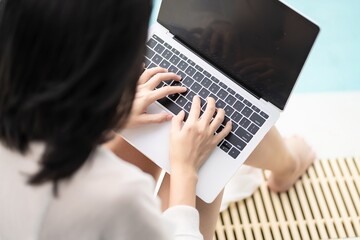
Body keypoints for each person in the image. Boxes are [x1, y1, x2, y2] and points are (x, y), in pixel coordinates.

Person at [0, 1, 315, 240]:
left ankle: (286, 164)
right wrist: (185, 170)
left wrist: (108, 119)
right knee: (209, 127)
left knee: (164, 113)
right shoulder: (117, 194)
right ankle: (288, 165)